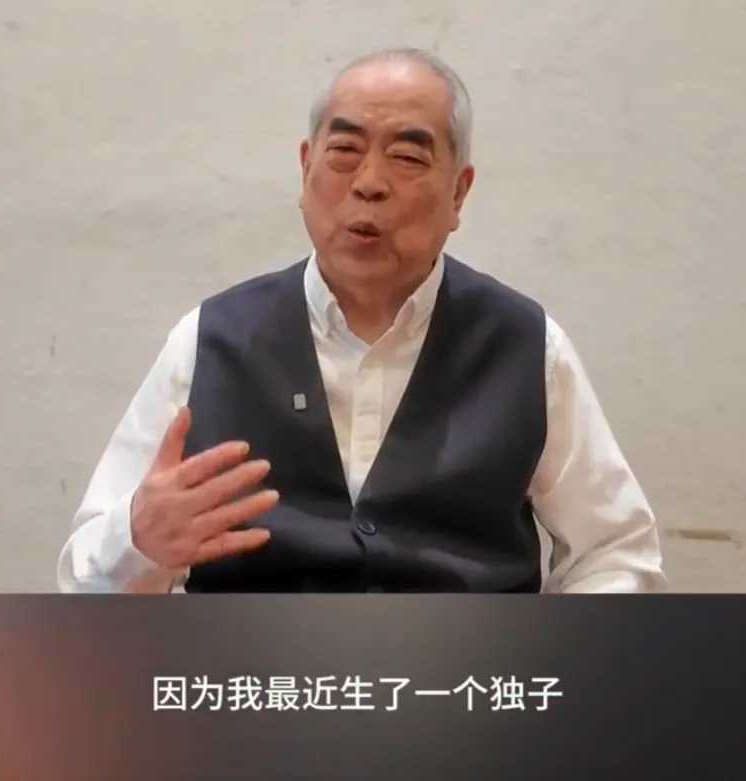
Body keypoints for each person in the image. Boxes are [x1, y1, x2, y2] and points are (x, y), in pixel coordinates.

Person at [57, 47, 666, 594]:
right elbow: (85, 583)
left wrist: (555, 662)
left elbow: (615, 553)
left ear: (459, 193)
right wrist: (141, 541)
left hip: (461, 677)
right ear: (306, 169)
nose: (369, 183)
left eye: (406, 157)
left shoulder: (527, 347)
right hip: (261, 677)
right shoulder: (211, 339)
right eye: (344, 152)